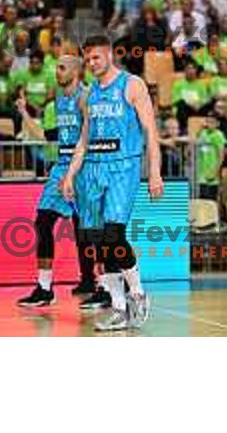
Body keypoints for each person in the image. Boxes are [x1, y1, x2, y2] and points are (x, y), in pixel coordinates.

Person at [79, 34, 164, 332]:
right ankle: (118, 308)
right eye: (87, 59)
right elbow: (85, 139)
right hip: (94, 169)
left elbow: (151, 131)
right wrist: (70, 174)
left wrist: (154, 172)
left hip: (124, 168)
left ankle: (138, 293)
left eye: (96, 58)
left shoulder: (132, 84)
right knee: (99, 241)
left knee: (114, 234)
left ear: (110, 56)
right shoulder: (90, 93)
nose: (91, 63)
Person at [17, 54, 94, 306]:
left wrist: (75, 171)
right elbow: (44, 135)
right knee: (42, 222)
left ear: (76, 71)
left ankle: (93, 282)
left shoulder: (86, 97)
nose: (57, 72)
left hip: (82, 168)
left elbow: (89, 138)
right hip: (61, 167)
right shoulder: (59, 101)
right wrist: (24, 112)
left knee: (84, 229)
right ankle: (44, 287)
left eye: (61, 68)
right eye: (56, 68)